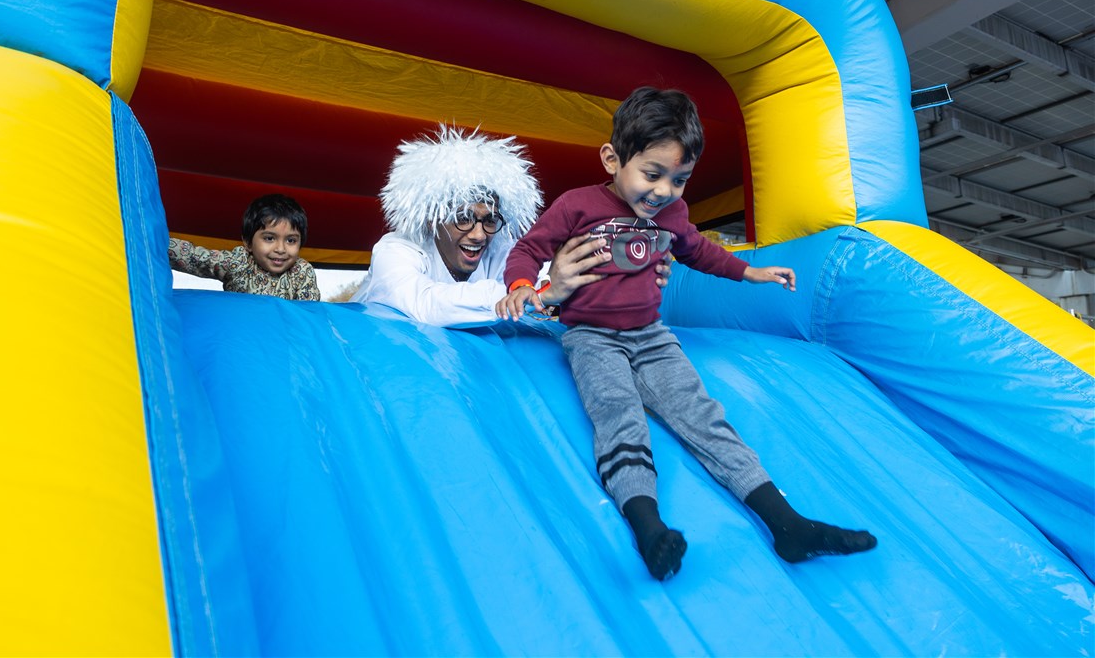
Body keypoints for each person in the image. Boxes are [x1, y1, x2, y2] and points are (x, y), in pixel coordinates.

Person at [496, 87, 876, 581]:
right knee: (617, 413)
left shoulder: (672, 215)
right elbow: (528, 249)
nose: (663, 191)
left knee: (702, 415)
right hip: (591, 335)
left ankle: (788, 525)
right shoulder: (578, 205)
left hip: (651, 335)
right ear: (613, 159)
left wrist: (750, 272)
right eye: (652, 174)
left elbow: (700, 251)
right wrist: (523, 286)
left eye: (678, 180)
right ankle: (648, 526)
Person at [350, 125, 672, 327]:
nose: (479, 234)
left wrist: (627, 268)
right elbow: (424, 305)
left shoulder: (500, 248)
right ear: (435, 218)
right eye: (463, 218)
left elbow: (544, 278)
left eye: (489, 220)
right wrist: (537, 295)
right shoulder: (396, 249)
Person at [169, 193, 320, 301]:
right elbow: (195, 257)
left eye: (291, 240)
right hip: (239, 334)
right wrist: (160, 243)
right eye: (269, 238)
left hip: (281, 336)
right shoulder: (239, 262)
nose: (280, 249)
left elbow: (309, 316)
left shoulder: (301, 271)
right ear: (248, 242)